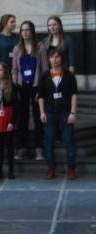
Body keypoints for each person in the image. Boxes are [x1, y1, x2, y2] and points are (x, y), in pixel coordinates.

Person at [38, 47, 78, 180]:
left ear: (61, 58)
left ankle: (71, 169)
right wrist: (42, 112)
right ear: (49, 59)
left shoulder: (69, 75)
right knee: (48, 142)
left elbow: (74, 94)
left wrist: (73, 112)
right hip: (49, 113)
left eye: (57, 57)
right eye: (52, 57)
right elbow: (41, 96)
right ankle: (51, 168)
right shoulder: (44, 76)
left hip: (66, 112)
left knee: (69, 141)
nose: (55, 60)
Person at [12, 20, 47, 161]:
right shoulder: (17, 49)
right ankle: (22, 148)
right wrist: (16, 86)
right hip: (21, 86)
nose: (25, 32)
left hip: (36, 85)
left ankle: (39, 148)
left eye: (27, 30)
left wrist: (42, 89)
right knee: (22, 117)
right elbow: (14, 69)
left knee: (38, 118)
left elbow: (45, 69)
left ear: (32, 31)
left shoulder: (40, 47)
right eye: (23, 30)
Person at [0, 63, 17, 180]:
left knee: (9, 145)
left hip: (8, 116)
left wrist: (12, 121)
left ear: (5, 71)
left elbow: (16, 106)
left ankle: (11, 170)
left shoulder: (12, 86)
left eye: (0, 70)